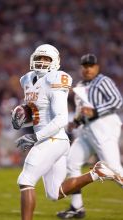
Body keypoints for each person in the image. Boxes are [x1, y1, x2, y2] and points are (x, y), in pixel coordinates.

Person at [11, 46, 123, 220]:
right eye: (39, 57)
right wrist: (22, 117)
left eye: (46, 59)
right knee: (54, 193)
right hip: (55, 139)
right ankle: (97, 172)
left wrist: (35, 136)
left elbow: (61, 118)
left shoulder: (56, 79)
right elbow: (40, 112)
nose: (42, 62)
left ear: (55, 62)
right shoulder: (26, 79)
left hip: (53, 139)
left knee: (25, 180)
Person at [57, 53, 123, 219]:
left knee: (114, 169)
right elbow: (83, 111)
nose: (87, 69)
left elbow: (117, 101)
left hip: (103, 127)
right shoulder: (80, 85)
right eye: (85, 66)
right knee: (72, 162)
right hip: (87, 130)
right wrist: (76, 122)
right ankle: (77, 207)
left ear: (97, 67)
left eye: (90, 65)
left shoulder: (103, 81)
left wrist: (96, 110)